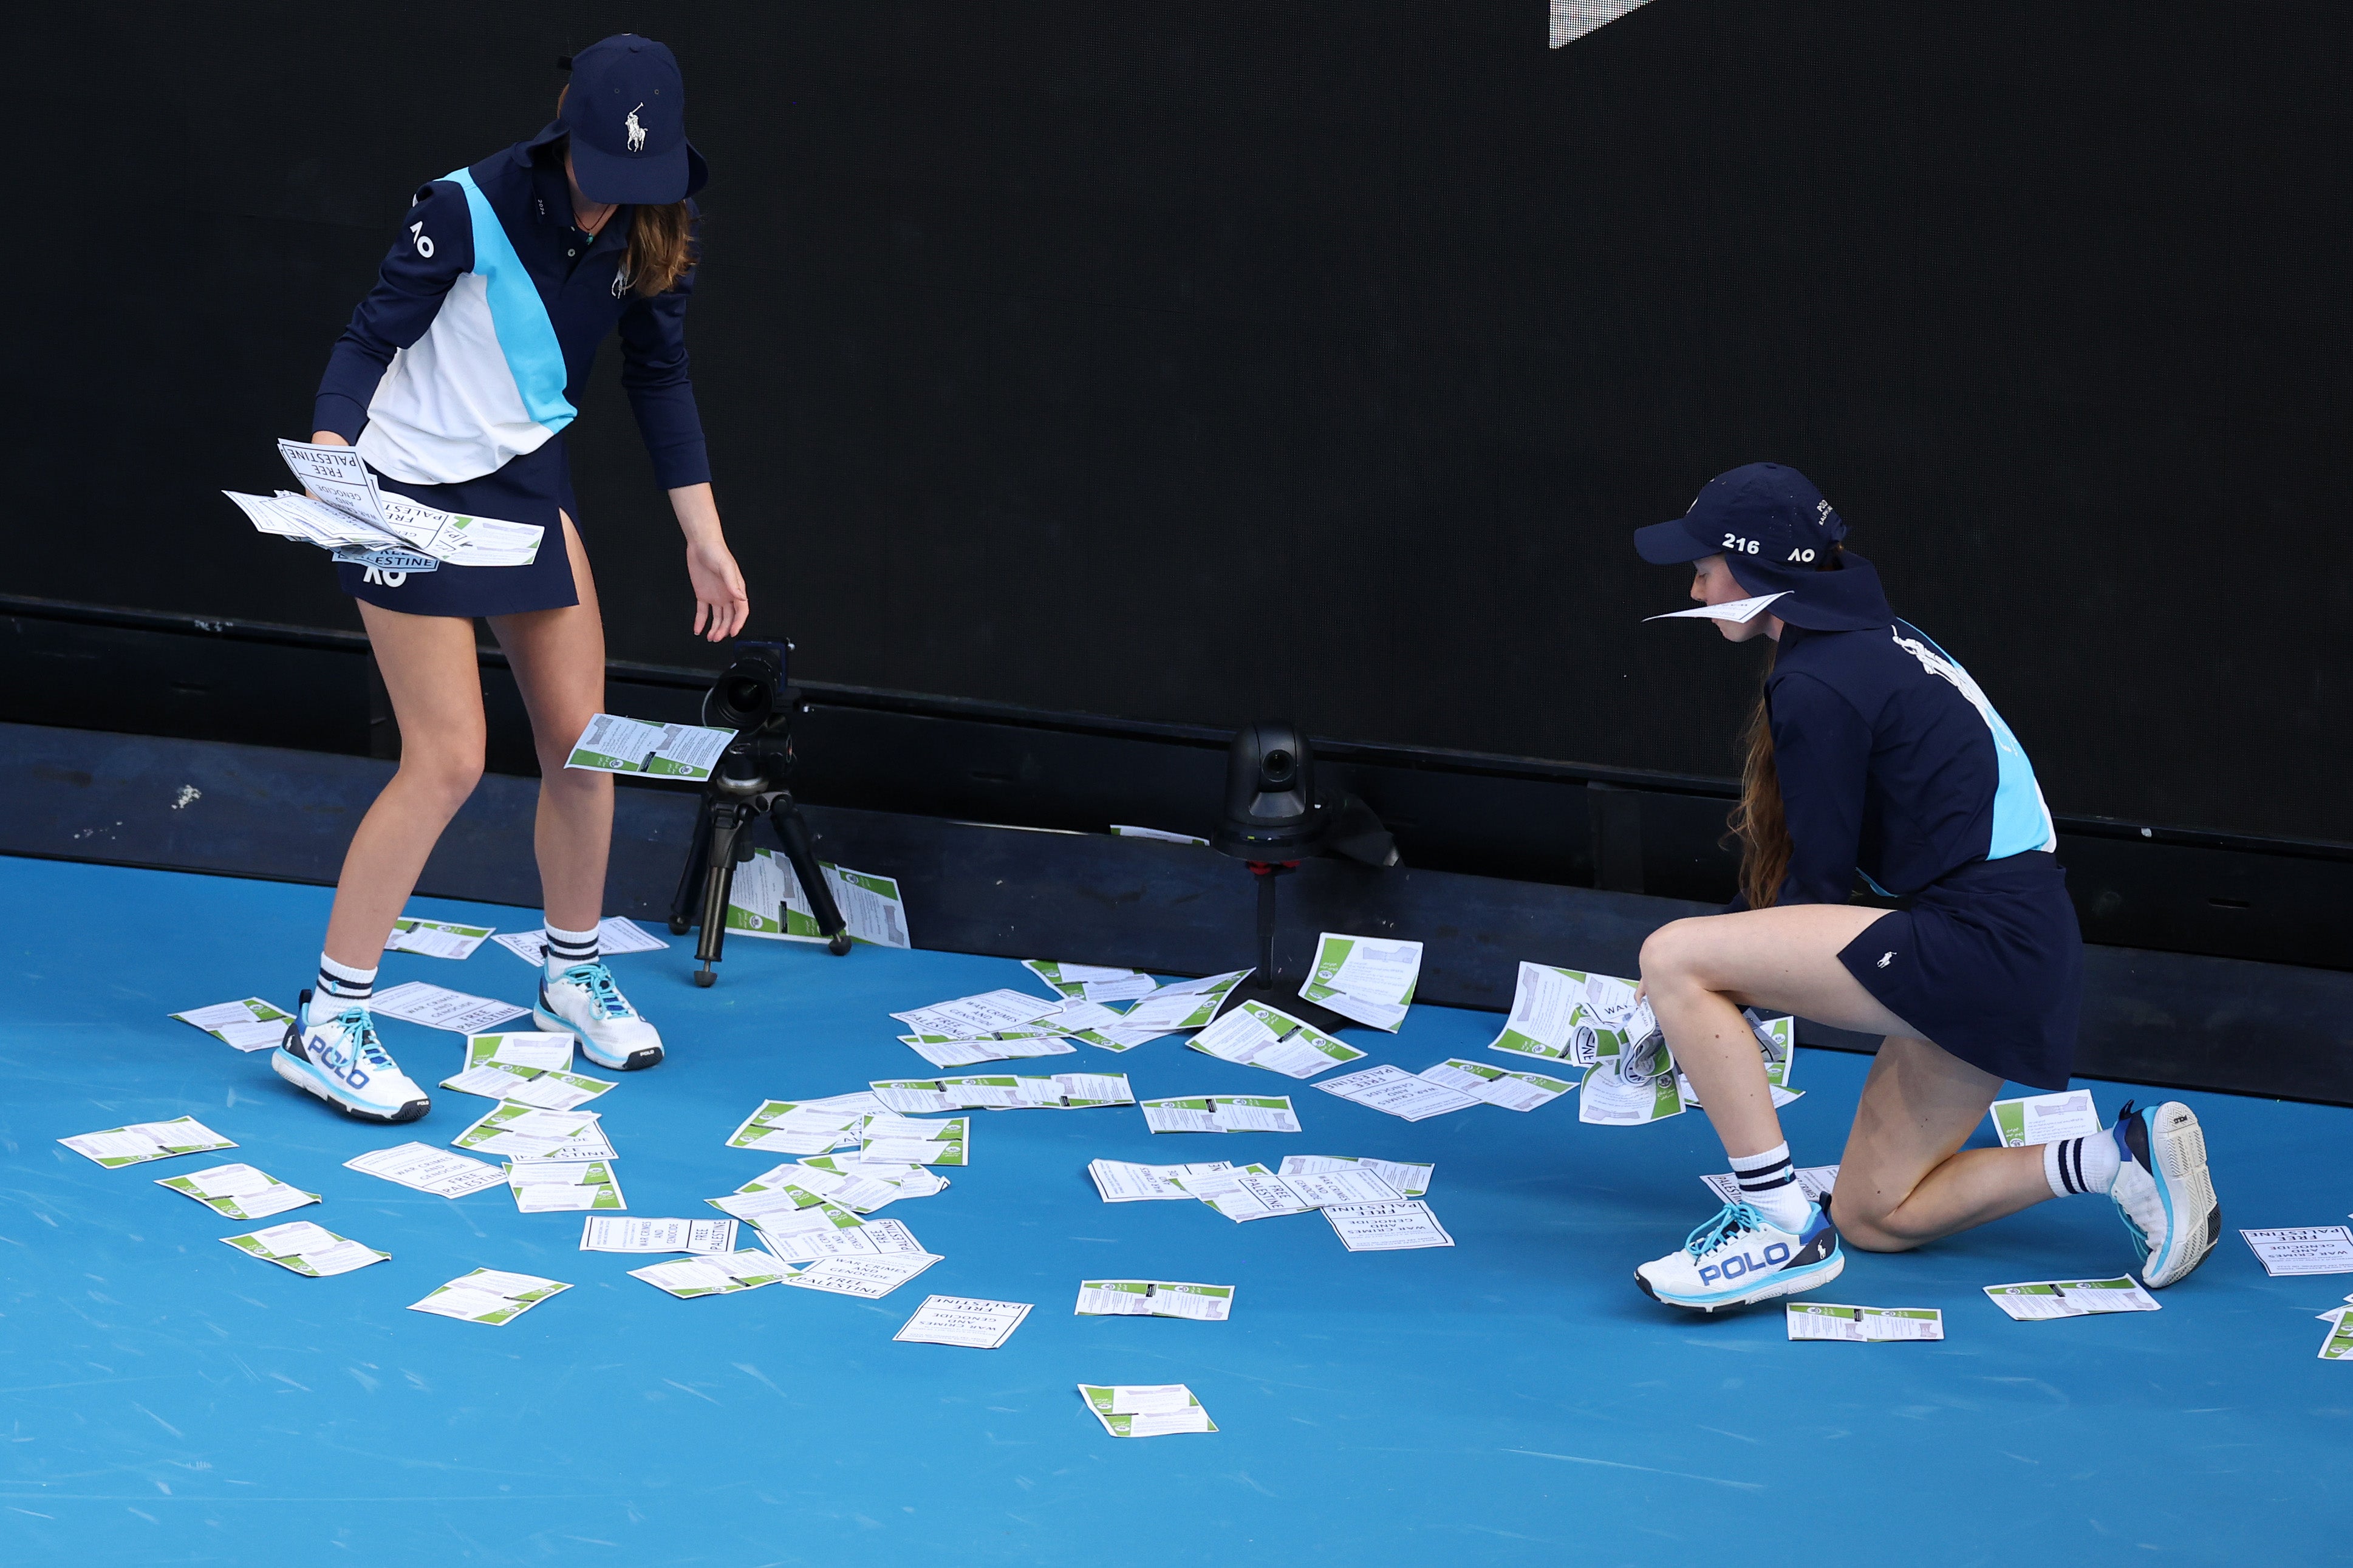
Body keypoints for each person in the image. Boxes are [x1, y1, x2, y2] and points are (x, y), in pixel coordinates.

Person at [272, 35, 748, 1122]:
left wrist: (703, 536)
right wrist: (336, 461)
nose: (613, 201)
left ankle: (570, 974)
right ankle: (328, 1021)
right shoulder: (464, 204)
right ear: (563, 133)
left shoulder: (655, 230)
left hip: (521, 479)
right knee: (448, 758)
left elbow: (660, 381)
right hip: (400, 482)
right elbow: (367, 340)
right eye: (601, 172)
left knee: (583, 741)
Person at [1624, 463, 2220, 1311]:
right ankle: (2115, 1159)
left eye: (1704, 565)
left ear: (1758, 572)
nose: (1692, 585)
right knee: (1876, 1213)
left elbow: (1818, 890)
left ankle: (1781, 1228)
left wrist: (1710, 997)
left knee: (1673, 958)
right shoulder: (1865, 638)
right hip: (2020, 949)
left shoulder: (1818, 679)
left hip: (1983, 948)